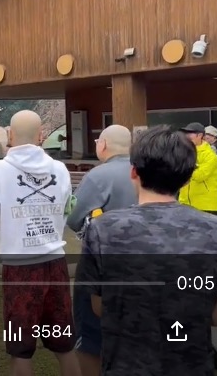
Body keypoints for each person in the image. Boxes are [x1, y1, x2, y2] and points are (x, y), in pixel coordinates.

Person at [77, 125, 217, 375]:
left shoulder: (102, 230)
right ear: (187, 178)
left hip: (125, 365)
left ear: (134, 172)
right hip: (193, 365)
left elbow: (99, 307)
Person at [0, 110, 79, 376]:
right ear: (42, 135)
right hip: (55, 265)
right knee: (64, 346)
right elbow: (66, 211)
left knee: (20, 350)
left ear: (9, 135)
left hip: (19, 269)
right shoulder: (60, 169)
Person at [65, 125, 136, 376]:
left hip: (103, 265)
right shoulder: (149, 171)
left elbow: (73, 217)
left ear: (102, 144)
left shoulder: (99, 175)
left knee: (91, 333)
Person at [178, 122, 217, 215]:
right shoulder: (185, 153)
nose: (187, 136)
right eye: (186, 133)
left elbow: (199, 176)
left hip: (206, 205)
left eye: (190, 133)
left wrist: (186, 167)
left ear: (200, 135)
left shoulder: (210, 155)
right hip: (185, 204)